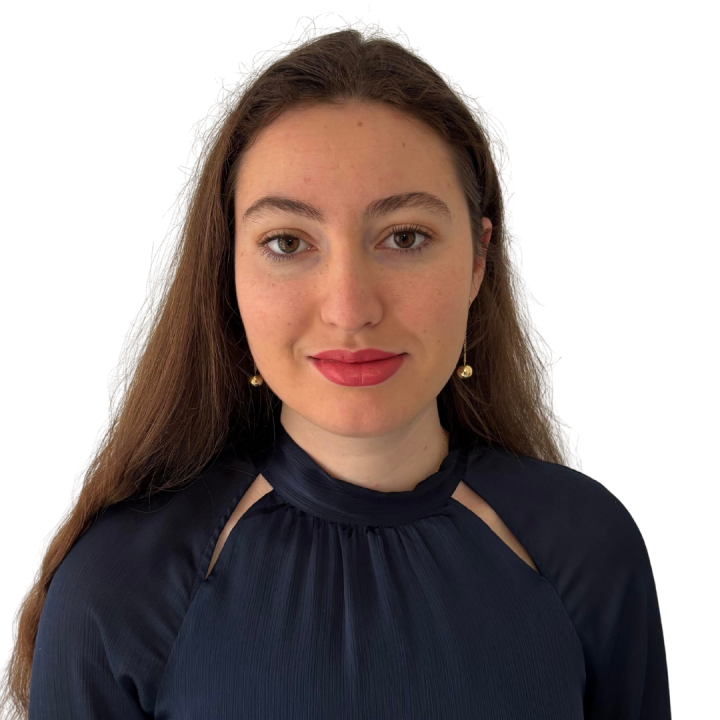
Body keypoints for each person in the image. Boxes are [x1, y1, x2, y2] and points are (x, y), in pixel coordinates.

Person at [2, 25, 670, 720]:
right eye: (288, 243)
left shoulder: (589, 549)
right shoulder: (118, 585)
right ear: (227, 270)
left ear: (478, 259)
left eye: (405, 237)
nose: (350, 309)